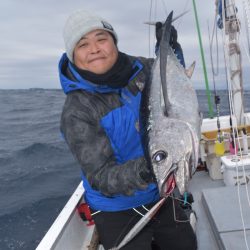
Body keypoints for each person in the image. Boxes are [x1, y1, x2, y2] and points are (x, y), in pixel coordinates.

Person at [59, 9, 197, 250]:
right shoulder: (76, 110)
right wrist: (153, 167)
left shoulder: (142, 68)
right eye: (83, 44)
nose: (94, 49)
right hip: (116, 208)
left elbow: (175, 86)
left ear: (114, 42)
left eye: (101, 39)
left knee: (186, 245)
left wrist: (170, 46)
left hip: (161, 193)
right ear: (72, 55)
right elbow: (102, 176)